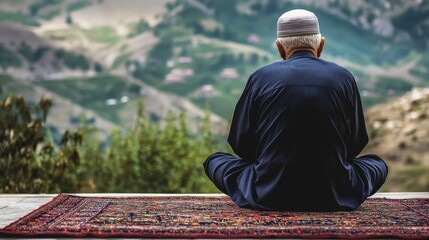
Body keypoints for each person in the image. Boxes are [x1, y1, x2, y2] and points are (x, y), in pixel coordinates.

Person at [203, 9, 388, 211]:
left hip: (268, 192)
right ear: (321, 45)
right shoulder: (344, 77)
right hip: (336, 193)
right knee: (376, 164)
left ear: (280, 48)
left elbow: (241, 143)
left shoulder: (260, 77)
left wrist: (271, 159)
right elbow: (356, 142)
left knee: (216, 160)